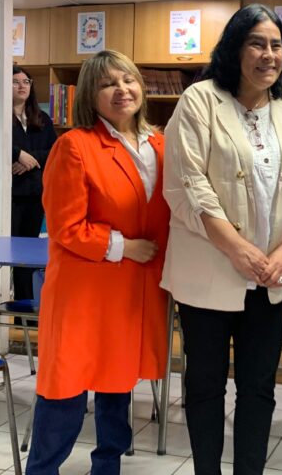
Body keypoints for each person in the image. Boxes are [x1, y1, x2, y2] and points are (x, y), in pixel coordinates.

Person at [161, 3, 282, 474]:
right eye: (257, 43)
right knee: (205, 385)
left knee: (259, 387)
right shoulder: (199, 100)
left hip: (272, 278)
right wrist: (241, 250)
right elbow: (191, 185)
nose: (269, 55)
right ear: (234, 48)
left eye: (276, 46)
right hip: (209, 274)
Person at [25, 50, 171, 474]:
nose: (122, 90)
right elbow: (66, 227)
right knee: (66, 388)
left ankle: (107, 466)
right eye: (108, 83)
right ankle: (43, 468)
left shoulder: (161, 145)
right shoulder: (75, 146)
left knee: (118, 385)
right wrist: (124, 247)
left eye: (128, 79)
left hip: (134, 291)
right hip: (85, 291)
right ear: (91, 95)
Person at [0, 65, 56, 333]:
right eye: (15, 81)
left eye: (26, 82)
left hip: (32, 193)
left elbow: (54, 150)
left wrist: (29, 161)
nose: (22, 86)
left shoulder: (41, 118)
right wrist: (17, 153)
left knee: (25, 258)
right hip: (0, 194)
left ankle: (24, 318)